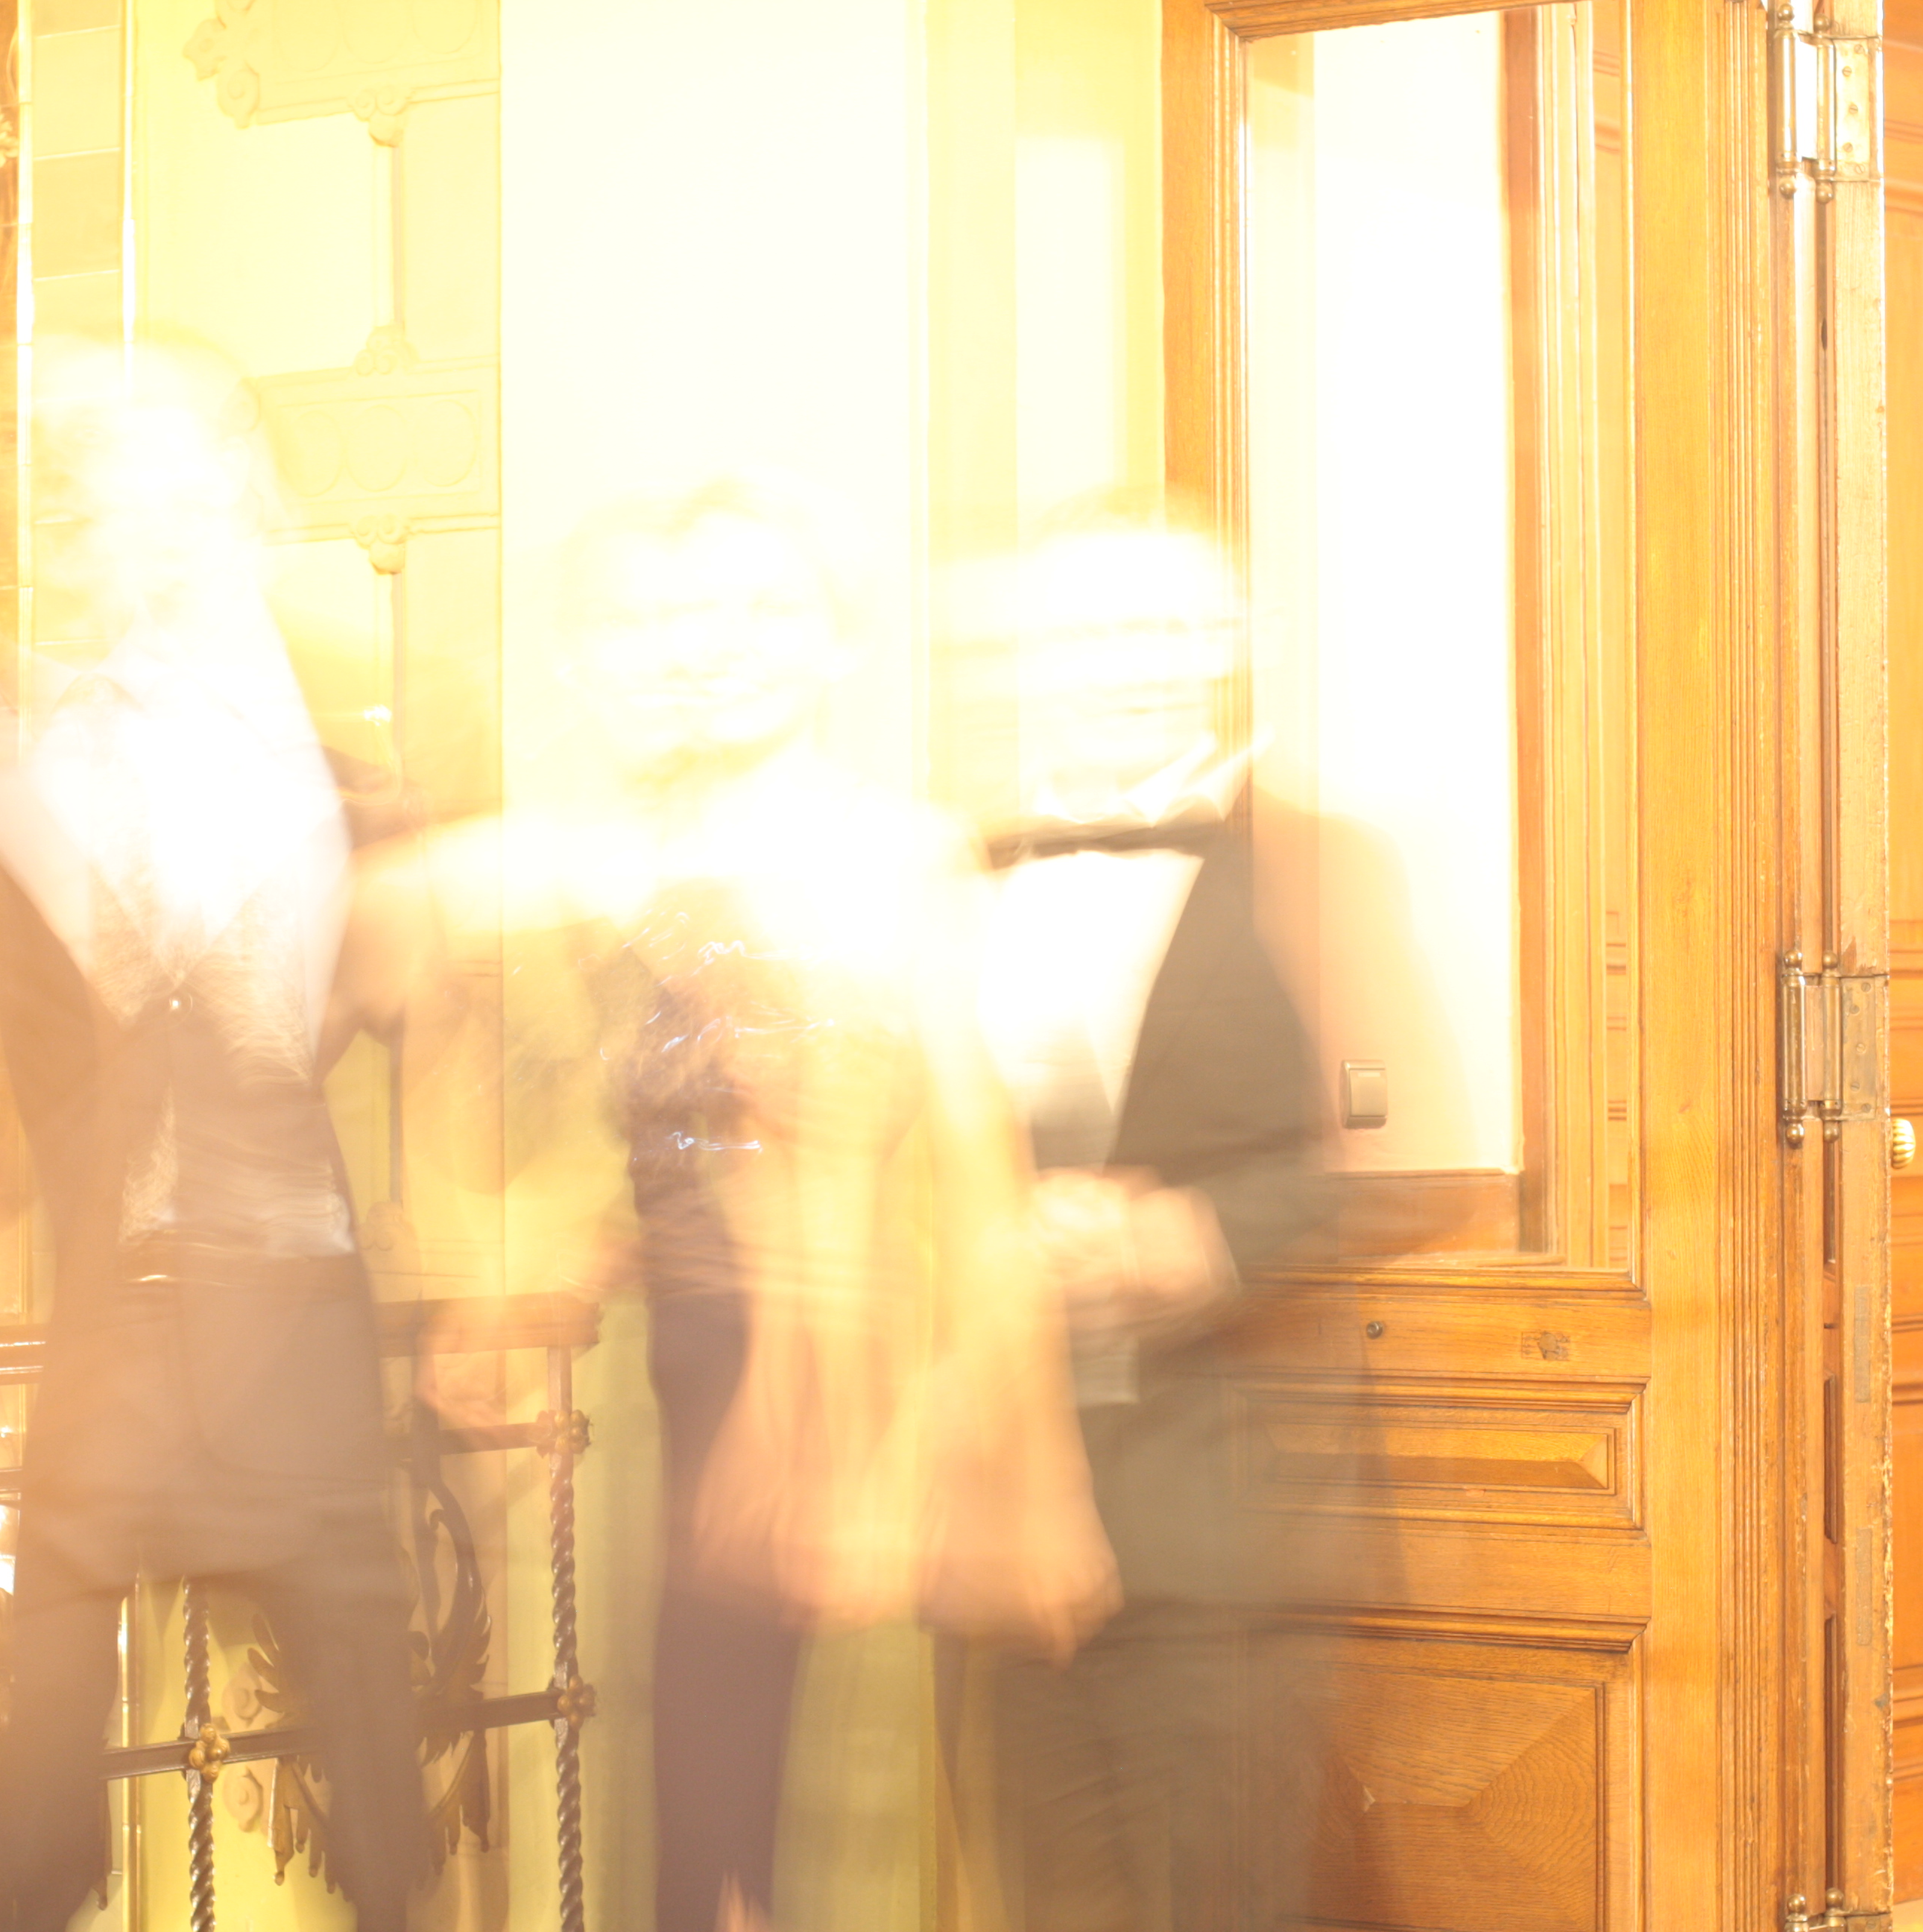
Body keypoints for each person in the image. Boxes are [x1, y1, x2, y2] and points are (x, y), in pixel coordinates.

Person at [411, 476, 1115, 1932]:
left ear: (839, 641)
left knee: (806, 1836)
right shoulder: (596, 867)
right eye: (688, 608)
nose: (717, 640)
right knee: (668, 1824)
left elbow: (977, 1168)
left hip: (842, 1402)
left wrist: (968, 1446)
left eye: (765, 605)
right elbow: (540, 1114)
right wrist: (521, 1247)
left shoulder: (900, 851)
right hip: (632, 1405)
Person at [0, 341, 430, 1932]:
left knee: (376, 1790)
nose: (154, 521)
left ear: (252, 505)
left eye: (190, 484)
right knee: (39, 1804)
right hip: (113, 1319)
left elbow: (436, 999)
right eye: (119, 487)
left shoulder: (351, 747)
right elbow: (8, 1052)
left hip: (297, 1308)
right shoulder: (13, 756)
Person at [958, 508, 1345, 1931]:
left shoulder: (1310, 865)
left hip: (1218, 1515)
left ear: (1228, 652)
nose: (1135, 663)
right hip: (1000, 1503)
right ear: (1026, 657)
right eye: (1092, 630)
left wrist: (1191, 1238)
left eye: (1170, 629)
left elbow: (1367, 1160)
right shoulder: (949, 877)